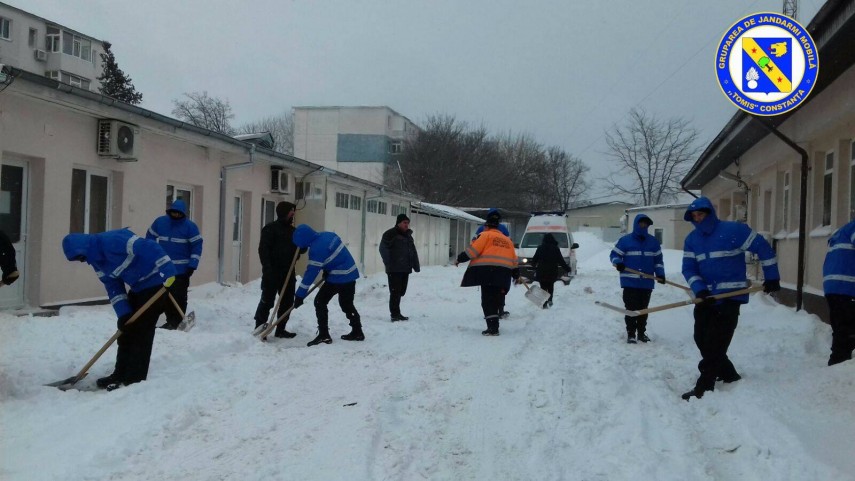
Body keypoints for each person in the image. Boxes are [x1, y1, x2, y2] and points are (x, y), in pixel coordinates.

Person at [680, 197, 780, 401]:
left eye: (701, 214)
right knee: (702, 339)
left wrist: (772, 277)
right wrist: (699, 290)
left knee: (716, 343)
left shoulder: (733, 230)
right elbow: (689, 268)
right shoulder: (692, 239)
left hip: (730, 298)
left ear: (709, 213)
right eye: (694, 216)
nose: (698, 219)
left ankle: (704, 386)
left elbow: (763, 248)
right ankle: (728, 374)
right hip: (706, 298)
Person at [62, 228, 176, 389]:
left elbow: (148, 246)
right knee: (126, 331)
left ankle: (134, 379)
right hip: (138, 288)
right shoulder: (97, 262)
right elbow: (113, 287)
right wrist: (123, 314)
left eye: (81, 256)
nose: (82, 261)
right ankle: (119, 374)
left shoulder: (113, 241)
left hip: (157, 284)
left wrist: (168, 271)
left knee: (142, 331)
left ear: (85, 247)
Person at [292, 224, 362, 346]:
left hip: (339, 276)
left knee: (320, 301)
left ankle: (324, 335)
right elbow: (334, 255)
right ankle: (357, 331)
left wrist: (300, 295)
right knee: (347, 304)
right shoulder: (327, 235)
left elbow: (311, 273)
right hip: (350, 273)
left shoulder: (316, 249)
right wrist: (327, 268)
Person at [455, 210, 519, 336]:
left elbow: (472, 251)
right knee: (496, 299)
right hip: (503, 274)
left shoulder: (485, 236)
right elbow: (514, 260)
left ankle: (493, 328)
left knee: (487, 301)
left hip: (488, 273)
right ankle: (495, 325)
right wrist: (515, 273)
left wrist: (459, 258)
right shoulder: (508, 241)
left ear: (487, 226)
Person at [146, 199, 202, 330]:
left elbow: (197, 246)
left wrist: (192, 265)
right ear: (170, 211)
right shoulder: (160, 222)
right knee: (164, 295)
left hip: (181, 270)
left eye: (179, 213)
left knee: (179, 296)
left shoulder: (190, 227)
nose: (176, 215)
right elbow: (150, 238)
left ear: (183, 214)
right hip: (164, 268)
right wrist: (152, 255)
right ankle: (170, 320)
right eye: (174, 212)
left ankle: (176, 321)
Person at [609, 214, 665, 343]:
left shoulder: (653, 242)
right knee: (631, 308)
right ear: (636, 224)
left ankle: (641, 333)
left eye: (646, 224)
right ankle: (631, 334)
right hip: (629, 281)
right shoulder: (625, 241)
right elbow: (614, 254)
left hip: (646, 282)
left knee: (643, 309)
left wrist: (660, 274)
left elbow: (658, 261)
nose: (643, 226)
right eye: (641, 223)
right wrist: (618, 262)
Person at [253, 201, 299, 338]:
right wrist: (267, 268)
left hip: (288, 272)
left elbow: (299, 249)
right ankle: (260, 327)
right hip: (272, 272)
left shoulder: (293, 231)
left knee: (287, 301)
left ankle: (281, 328)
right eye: (291, 211)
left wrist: (302, 247)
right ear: (284, 212)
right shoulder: (270, 229)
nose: (293, 214)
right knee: (267, 300)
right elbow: (263, 250)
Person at [822, 218, 855, 366]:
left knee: (841, 327)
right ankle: (839, 363)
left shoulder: (842, 231)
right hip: (847, 286)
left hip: (833, 287)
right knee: (847, 330)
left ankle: (839, 361)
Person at [379, 213, 420, 322]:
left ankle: (397, 312)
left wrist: (416, 265)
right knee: (395, 291)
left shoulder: (408, 235)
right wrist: (389, 263)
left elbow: (412, 251)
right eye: (404, 223)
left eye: (408, 223)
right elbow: (383, 249)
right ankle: (395, 314)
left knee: (401, 291)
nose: (407, 225)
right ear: (399, 223)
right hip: (394, 268)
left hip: (405, 268)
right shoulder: (390, 234)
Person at [474, 208, 511, 319]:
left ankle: (490, 313)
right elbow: (509, 246)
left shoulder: (482, 229)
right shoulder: (503, 229)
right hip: (503, 266)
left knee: (487, 292)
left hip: (485, 266)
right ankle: (500, 309)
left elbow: (474, 244)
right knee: (500, 289)